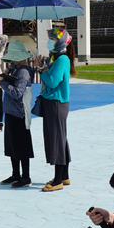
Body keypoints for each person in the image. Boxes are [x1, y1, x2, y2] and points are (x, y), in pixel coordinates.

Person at [36, 26, 75, 192]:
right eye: (50, 39)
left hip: (56, 103)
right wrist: (43, 66)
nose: (50, 42)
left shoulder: (62, 59)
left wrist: (43, 70)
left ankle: (58, 179)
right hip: (53, 102)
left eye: (53, 39)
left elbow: (52, 81)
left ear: (61, 41)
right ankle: (64, 175)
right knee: (60, 139)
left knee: (57, 141)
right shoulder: (55, 57)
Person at [0, 42, 35, 188]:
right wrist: (7, 74)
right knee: (12, 145)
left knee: (21, 147)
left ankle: (25, 177)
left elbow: (17, 93)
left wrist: (3, 82)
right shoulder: (17, 70)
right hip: (12, 113)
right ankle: (16, 174)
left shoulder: (24, 72)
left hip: (19, 114)